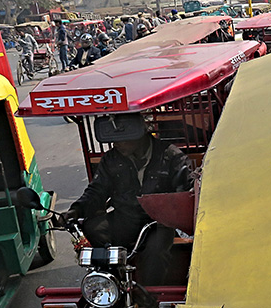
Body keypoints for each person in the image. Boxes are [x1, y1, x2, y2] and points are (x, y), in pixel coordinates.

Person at [63, 113, 193, 285]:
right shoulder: (111, 159)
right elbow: (97, 190)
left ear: (139, 135)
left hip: (159, 222)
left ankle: (149, 294)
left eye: (122, 139)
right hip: (125, 217)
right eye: (114, 139)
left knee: (156, 250)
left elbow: (186, 190)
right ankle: (111, 281)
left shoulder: (171, 156)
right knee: (93, 227)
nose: (116, 144)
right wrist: (76, 209)